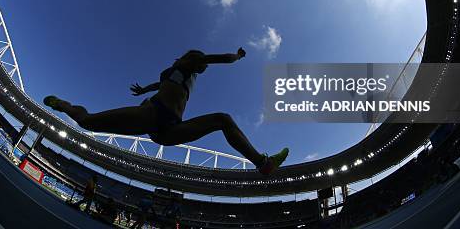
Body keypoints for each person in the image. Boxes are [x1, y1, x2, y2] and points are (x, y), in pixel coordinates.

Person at [44, 48, 288, 174]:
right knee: (88, 122)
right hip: (153, 114)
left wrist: (143, 90)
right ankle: (63, 104)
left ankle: (263, 164)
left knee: (223, 120)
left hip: (171, 128)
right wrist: (238, 56)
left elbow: (160, 83)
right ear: (189, 58)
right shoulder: (190, 60)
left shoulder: (179, 74)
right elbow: (222, 58)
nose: (202, 65)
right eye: (199, 60)